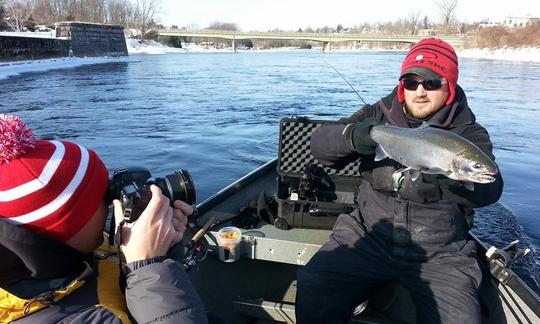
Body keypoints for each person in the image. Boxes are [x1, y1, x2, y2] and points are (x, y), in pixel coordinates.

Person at [295, 38, 504, 324]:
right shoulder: (376, 113)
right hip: (367, 234)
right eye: (410, 82)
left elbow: (490, 190)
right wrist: (353, 136)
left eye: (431, 83)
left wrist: (447, 176)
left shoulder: (469, 134)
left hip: (440, 251)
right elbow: (319, 145)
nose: (419, 91)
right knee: (314, 282)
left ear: (450, 86)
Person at [0, 114, 208, 323]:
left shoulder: (85, 252)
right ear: (70, 227)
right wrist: (148, 268)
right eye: (103, 197)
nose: (112, 203)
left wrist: (164, 251)